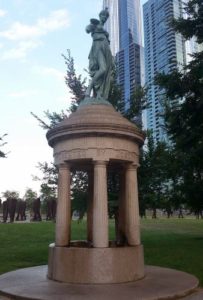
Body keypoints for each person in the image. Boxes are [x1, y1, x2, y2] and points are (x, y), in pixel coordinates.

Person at [85, 8, 113, 101]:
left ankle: (99, 94)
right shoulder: (95, 25)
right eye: (103, 15)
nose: (104, 17)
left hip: (106, 51)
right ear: (100, 16)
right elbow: (87, 29)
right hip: (98, 48)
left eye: (106, 16)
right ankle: (88, 90)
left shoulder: (104, 30)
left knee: (105, 72)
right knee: (103, 69)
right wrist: (90, 27)